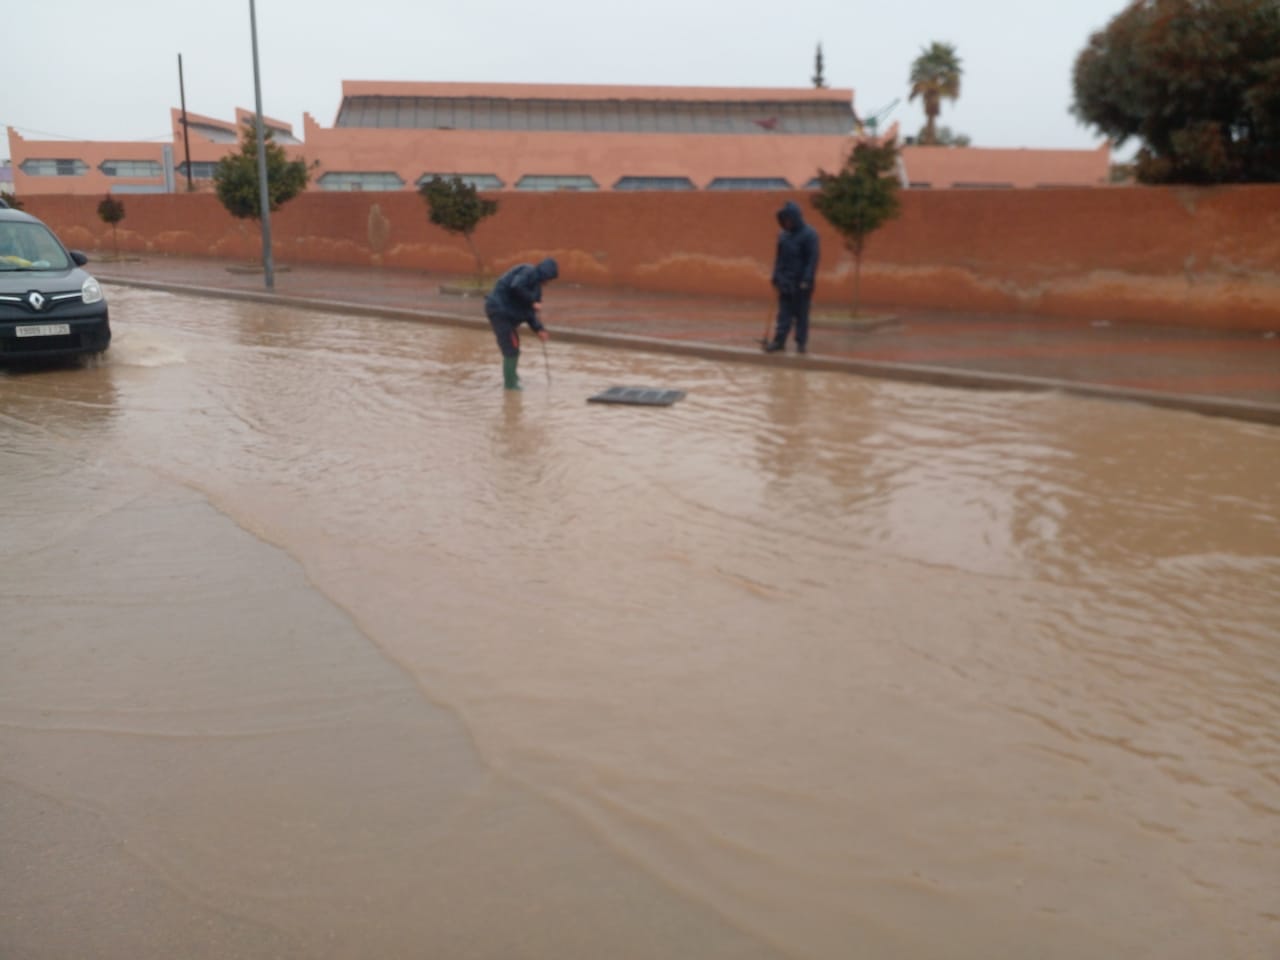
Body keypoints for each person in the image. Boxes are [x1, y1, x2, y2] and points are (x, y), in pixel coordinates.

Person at [483, 258, 558, 390]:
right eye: (548, 278)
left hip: (509, 315)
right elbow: (516, 286)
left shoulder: (537, 289)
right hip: (499, 310)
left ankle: (512, 377)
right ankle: (510, 385)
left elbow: (530, 313)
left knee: (514, 347)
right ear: (543, 274)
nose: (548, 282)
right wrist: (532, 301)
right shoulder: (527, 271)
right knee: (511, 347)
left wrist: (539, 329)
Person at [764, 200, 820, 354]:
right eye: (784, 220)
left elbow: (812, 259)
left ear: (796, 218)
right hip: (785, 281)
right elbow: (779, 257)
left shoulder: (810, 234)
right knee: (783, 314)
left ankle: (801, 344)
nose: (786, 223)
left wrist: (807, 279)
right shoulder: (783, 235)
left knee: (801, 315)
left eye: (789, 220)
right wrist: (776, 275)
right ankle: (779, 341)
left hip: (801, 283)